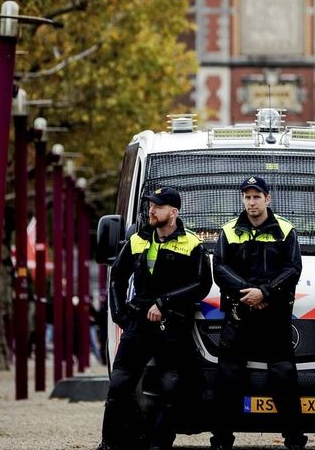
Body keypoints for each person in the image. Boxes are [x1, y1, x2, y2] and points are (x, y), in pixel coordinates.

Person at [98, 186, 212, 450]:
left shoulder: (192, 244)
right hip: (138, 323)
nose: (151, 210)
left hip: (172, 325)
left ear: (173, 212)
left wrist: (164, 302)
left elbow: (201, 284)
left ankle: (159, 444)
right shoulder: (137, 240)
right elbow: (117, 277)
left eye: (158, 206)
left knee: (171, 389)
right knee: (119, 386)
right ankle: (109, 444)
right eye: (150, 205)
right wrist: (119, 313)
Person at [210, 176, 307, 450]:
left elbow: (293, 269)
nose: (251, 202)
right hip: (240, 316)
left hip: (273, 317)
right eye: (247, 197)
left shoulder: (286, 230)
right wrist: (249, 293)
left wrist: (265, 292)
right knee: (228, 379)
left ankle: (295, 440)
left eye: (257, 196)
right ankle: (221, 440)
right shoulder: (229, 231)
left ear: (268, 199)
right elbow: (220, 269)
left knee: (284, 378)